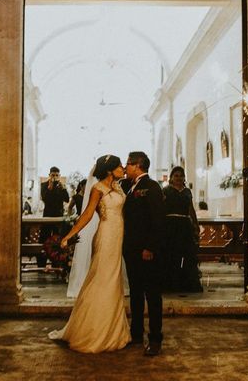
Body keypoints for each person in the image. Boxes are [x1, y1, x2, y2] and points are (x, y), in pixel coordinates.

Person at [48, 155, 130, 353]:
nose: (123, 168)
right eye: (120, 166)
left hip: (119, 236)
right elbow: (86, 215)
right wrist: (67, 236)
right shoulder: (97, 189)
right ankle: (93, 331)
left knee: (113, 281)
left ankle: (113, 329)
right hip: (106, 235)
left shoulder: (119, 187)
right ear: (110, 170)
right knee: (102, 279)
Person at [121, 151, 166, 355]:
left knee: (152, 294)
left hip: (146, 251)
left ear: (138, 165)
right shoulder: (130, 187)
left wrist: (150, 247)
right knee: (136, 293)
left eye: (128, 164)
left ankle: (155, 339)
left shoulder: (152, 187)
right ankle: (137, 333)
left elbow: (157, 220)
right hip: (131, 250)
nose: (125, 167)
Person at [161, 166, 202, 293]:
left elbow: (191, 209)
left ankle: (188, 283)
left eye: (181, 175)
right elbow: (161, 208)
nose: (179, 178)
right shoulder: (166, 190)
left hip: (185, 225)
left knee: (189, 255)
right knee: (172, 255)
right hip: (170, 225)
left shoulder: (187, 192)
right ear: (171, 178)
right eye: (176, 175)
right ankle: (170, 284)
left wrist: (195, 225)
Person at [38, 166, 69, 267]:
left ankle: (56, 264)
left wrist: (63, 189)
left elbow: (67, 199)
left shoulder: (61, 186)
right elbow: (44, 198)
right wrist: (50, 188)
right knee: (44, 239)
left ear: (59, 176)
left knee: (58, 239)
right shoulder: (44, 185)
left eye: (56, 175)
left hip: (58, 216)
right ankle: (41, 264)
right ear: (49, 175)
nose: (55, 177)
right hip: (47, 215)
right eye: (53, 175)